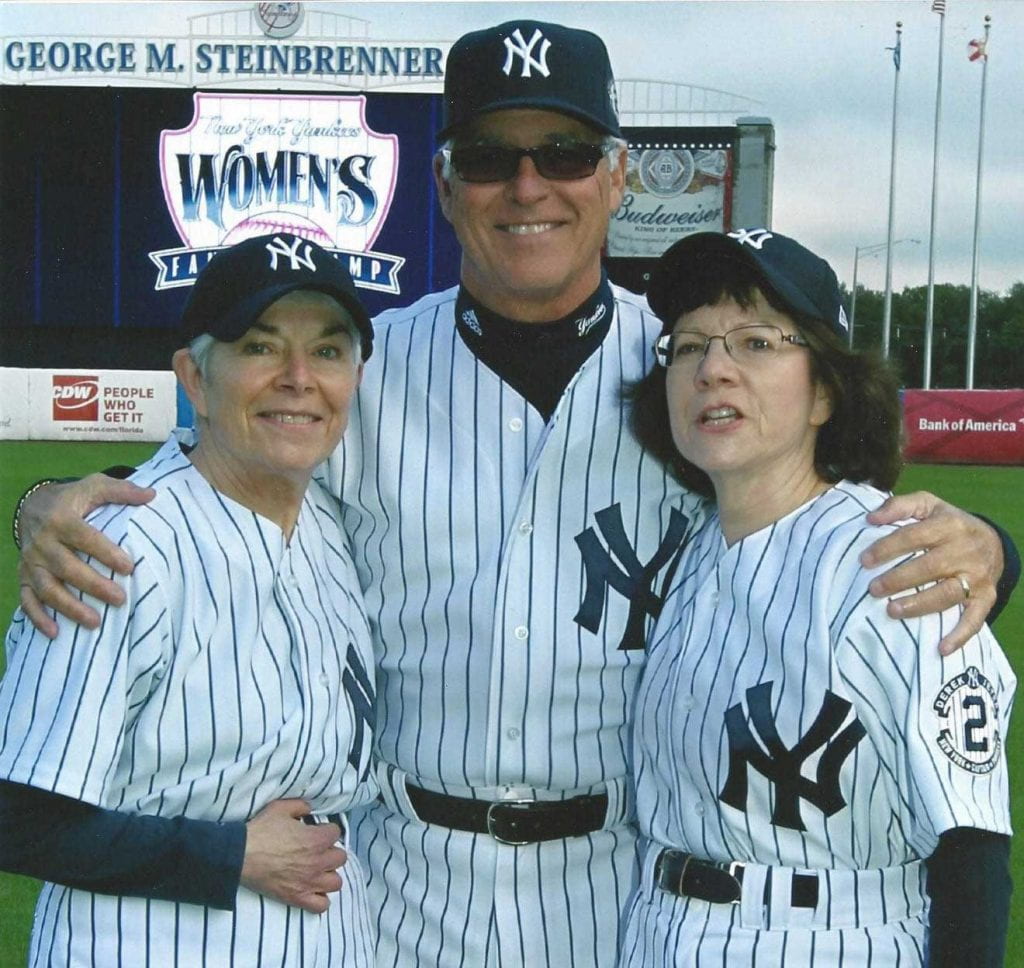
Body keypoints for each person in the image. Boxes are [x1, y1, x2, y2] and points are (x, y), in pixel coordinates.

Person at [11, 20, 1019, 968]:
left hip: (615, 886)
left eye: (566, 153)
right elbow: (192, 473)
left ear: (617, 175)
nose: (526, 184)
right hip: (395, 879)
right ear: (445, 186)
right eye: (490, 156)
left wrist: (997, 549)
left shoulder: (687, 374)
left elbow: (829, 524)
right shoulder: (362, 368)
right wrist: (41, 505)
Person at [619, 228, 1014, 966]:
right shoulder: (690, 552)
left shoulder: (894, 561)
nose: (714, 369)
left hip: (829, 936)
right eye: (689, 344)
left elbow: (971, 849)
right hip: (661, 929)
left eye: (757, 342)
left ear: (826, 392)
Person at [0, 233, 380, 966]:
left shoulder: (334, 527)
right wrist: (227, 853)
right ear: (195, 379)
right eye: (261, 347)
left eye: (327, 352)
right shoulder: (120, 551)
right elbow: (18, 817)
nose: (299, 378)